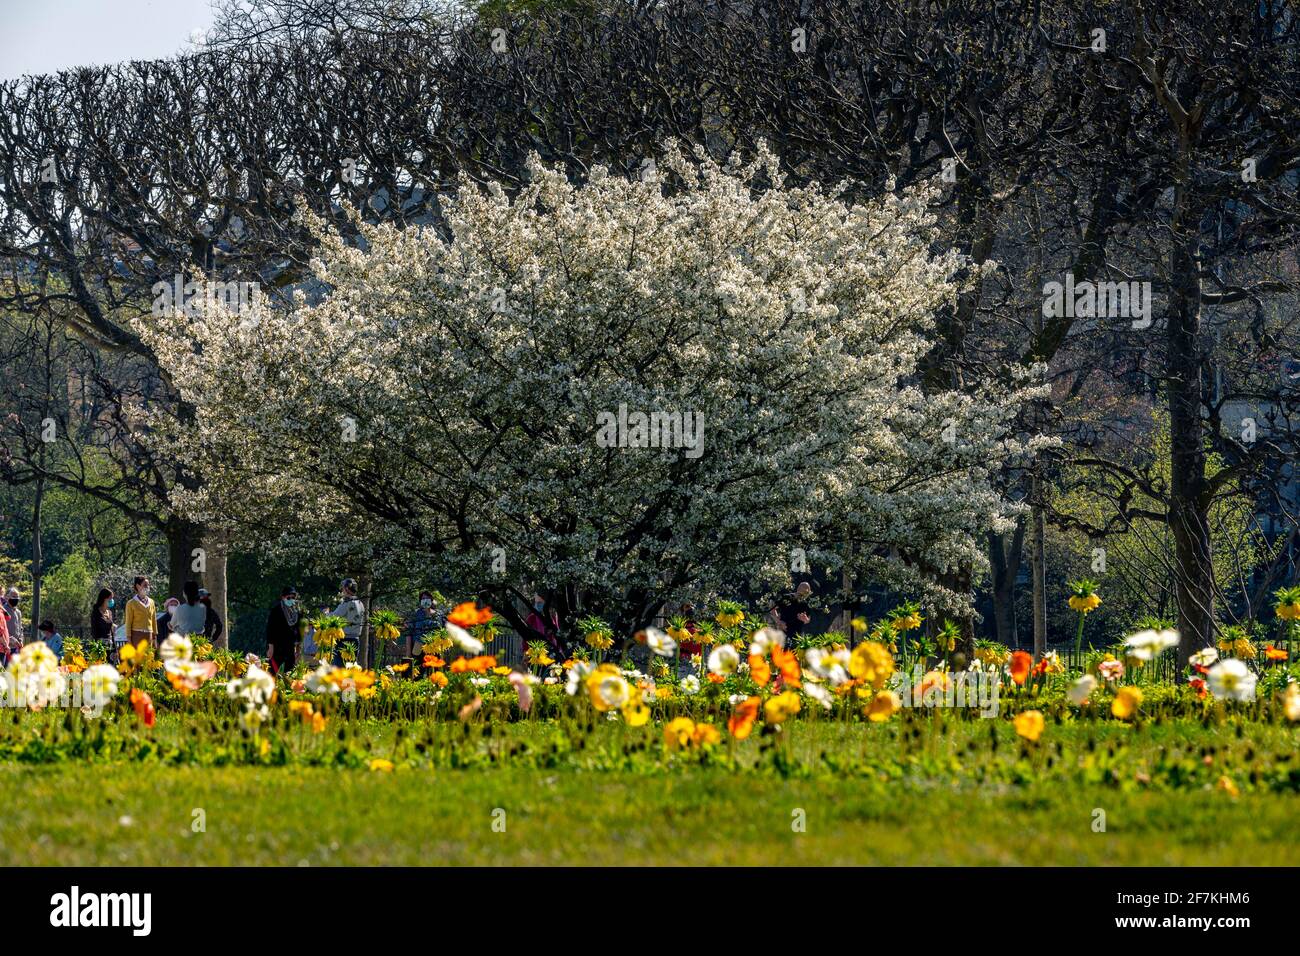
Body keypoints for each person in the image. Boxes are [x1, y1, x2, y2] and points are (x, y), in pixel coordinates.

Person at [265, 586, 301, 677]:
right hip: (277, 648)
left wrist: (298, 648)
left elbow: (298, 630)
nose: (291, 600)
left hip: (290, 647)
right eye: (288, 598)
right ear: (283, 597)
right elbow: (270, 630)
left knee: (289, 673)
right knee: (276, 673)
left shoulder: (296, 611)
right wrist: (270, 647)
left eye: (293, 598)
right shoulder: (276, 611)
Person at [332, 578, 365, 665]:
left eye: (343, 588)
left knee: (339, 669)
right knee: (351, 668)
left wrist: (325, 613)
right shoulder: (360, 603)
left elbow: (334, 616)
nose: (342, 590)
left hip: (344, 640)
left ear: (346, 589)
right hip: (356, 639)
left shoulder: (347, 603)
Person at [404, 590, 443, 660]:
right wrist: (408, 653)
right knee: (419, 669)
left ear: (431, 600)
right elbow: (408, 633)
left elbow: (443, 632)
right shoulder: (415, 615)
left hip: (435, 648)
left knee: (435, 669)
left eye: (427, 598)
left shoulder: (439, 615)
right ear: (420, 601)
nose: (425, 600)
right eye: (423, 599)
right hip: (418, 648)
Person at [123, 576, 157, 648]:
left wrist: (154, 637)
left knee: (149, 658)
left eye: (148, 585)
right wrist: (129, 640)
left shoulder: (151, 602)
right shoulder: (131, 603)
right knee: (138, 658)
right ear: (138, 586)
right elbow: (128, 622)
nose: (147, 587)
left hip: (149, 636)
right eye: (145, 585)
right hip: (136, 636)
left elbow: (154, 620)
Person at [525, 593, 562, 658]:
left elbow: (557, 633)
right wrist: (525, 652)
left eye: (540, 602)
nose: (537, 605)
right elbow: (525, 637)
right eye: (536, 602)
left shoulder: (553, 617)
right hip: (535, 653)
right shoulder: (531, 618)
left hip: (552, 652)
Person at [90, 588, 116, 659]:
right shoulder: (96, 612)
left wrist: (115, 648)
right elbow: (94, 631)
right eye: (110, 598)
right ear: (104, 599)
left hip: (110, 645)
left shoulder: (109, 612)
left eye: (112, 598)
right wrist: (96, 648)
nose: (112, 601)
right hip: (100, 647)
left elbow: (111, 631)